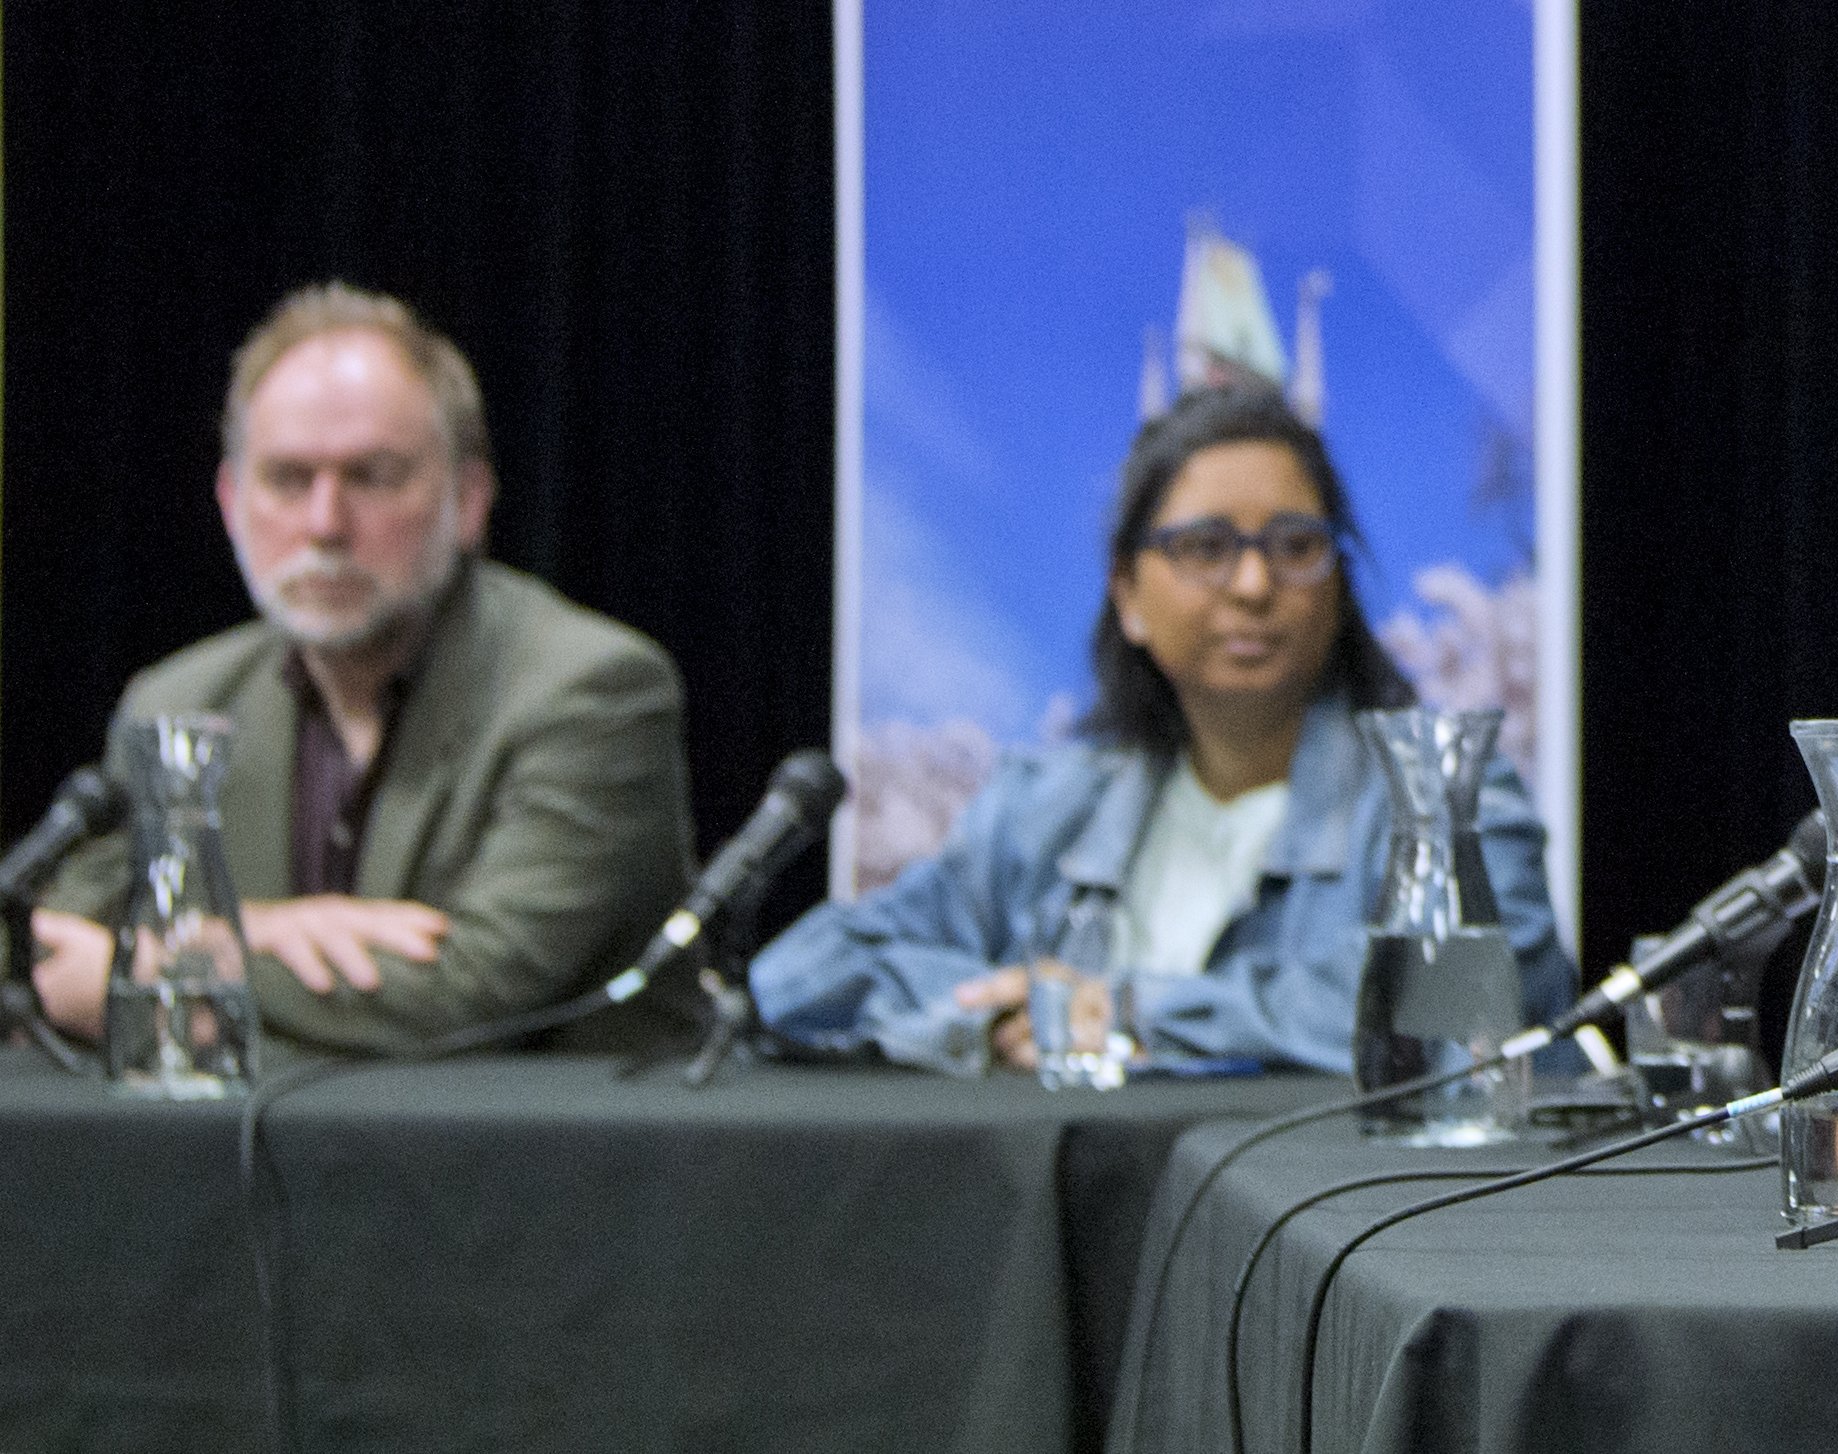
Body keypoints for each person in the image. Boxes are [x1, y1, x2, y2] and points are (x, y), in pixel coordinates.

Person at [751, 384, 1569, 1075]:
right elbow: (802, 975)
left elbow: (1482, 996)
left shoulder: (1437, 792)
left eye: (1295, 546)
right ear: (1128, 595)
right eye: (1206, 547)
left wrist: (1132, 1013)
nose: (1253, 584)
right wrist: (999, 1014)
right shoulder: (1046, 808)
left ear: (1338, 584)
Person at [27, 282, 696, 1057]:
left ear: (470, 499)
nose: (325, 524)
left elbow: (475, 990)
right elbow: (52, 943)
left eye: (373, 475)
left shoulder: (592, 689)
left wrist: (174, 967)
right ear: (231, 501)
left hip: (531, 1132)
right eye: (288, 478)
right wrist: (264, 928)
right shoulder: (179, 701)